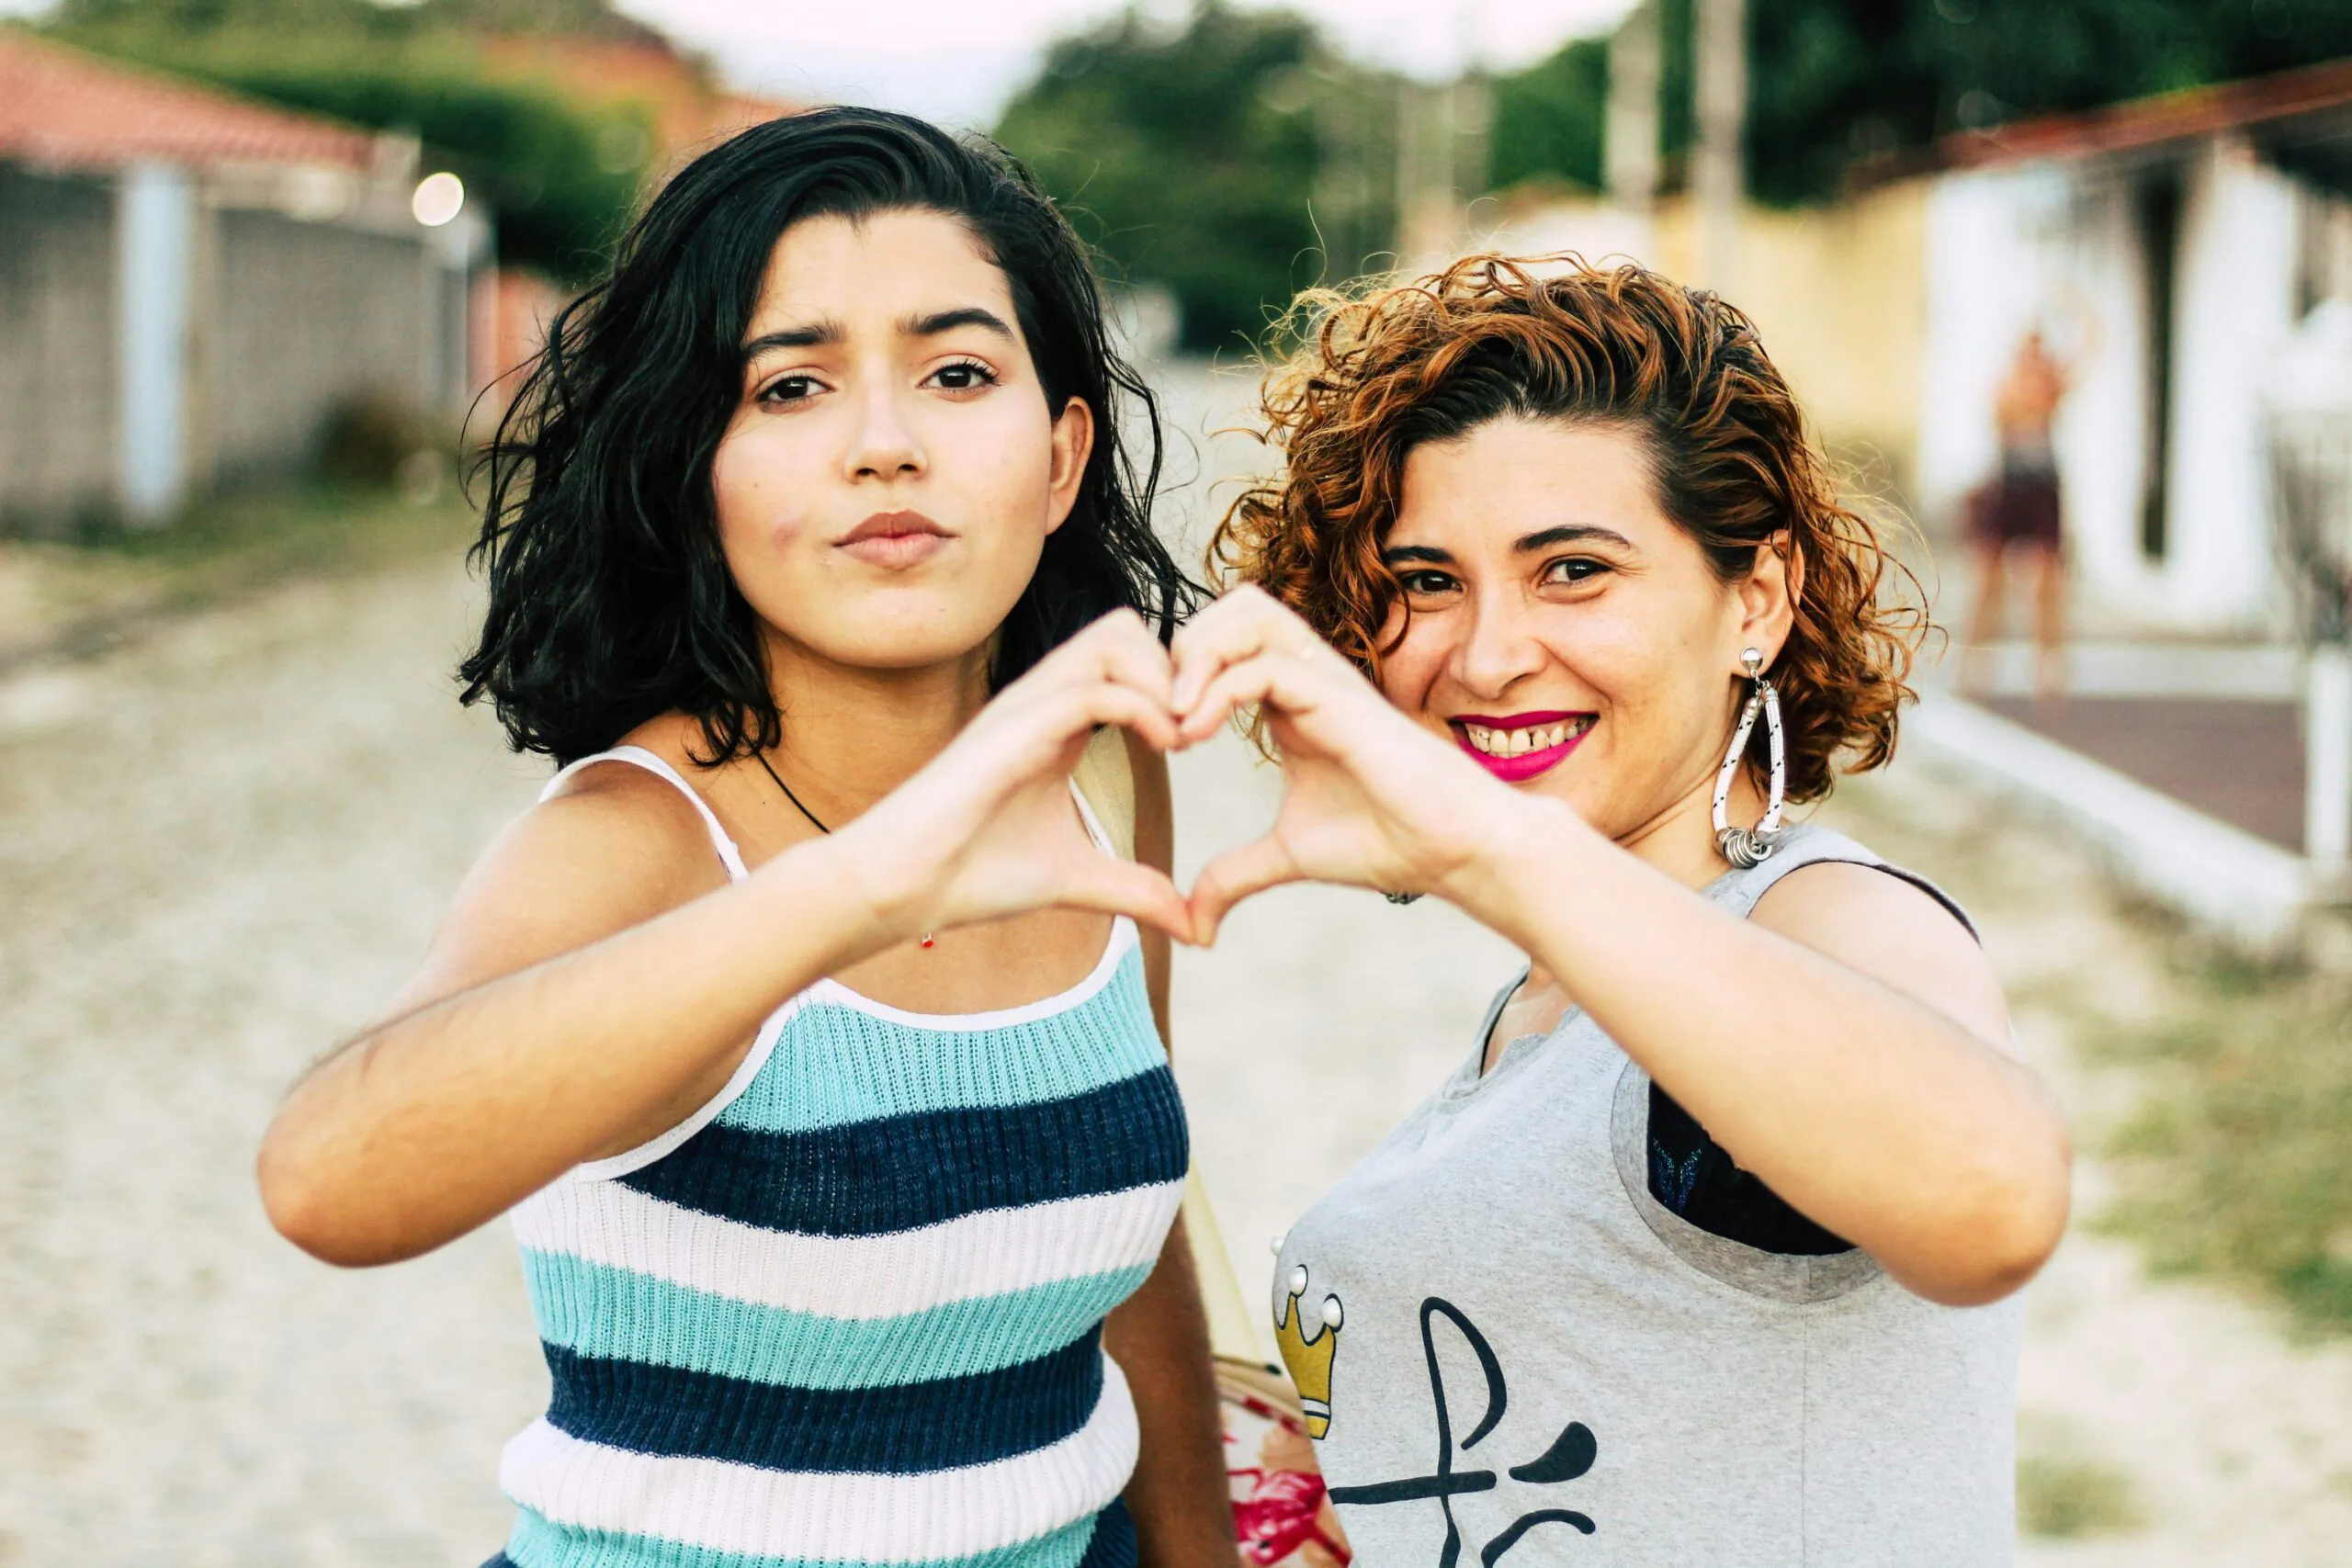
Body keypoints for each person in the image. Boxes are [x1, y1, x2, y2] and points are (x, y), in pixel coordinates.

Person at [255, 109, 1233, 1568]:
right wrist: (855, 889)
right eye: (789, 388)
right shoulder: (634, 841)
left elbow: (1127, 1227)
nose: (886, 445)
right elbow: (327, 1181)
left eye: (960, 374)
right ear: (694, 469)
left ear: (1060, 452)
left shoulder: (1101, 759)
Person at [1185, 256, 2072, 1563]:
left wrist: (1491, 844)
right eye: (1429, 581)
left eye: (1573, 571)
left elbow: (1993, 1197)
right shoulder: (1543, 1002)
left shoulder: (1818, 918)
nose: (1485, 654)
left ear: (1754, 600)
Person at [1966, 328, 2075, 700]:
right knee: (1988, 577)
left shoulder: (2051, 385)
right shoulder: (2007, 388)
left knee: (2047, 578)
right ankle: (1977, 660)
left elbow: (2091, 349)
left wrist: (2074, 304)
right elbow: (2009, 411)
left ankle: (2049, 665)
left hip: (2043, 487)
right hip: (2010, 484)